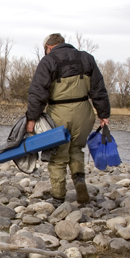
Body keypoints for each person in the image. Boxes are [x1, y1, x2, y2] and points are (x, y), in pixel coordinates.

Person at [26, 33, 110, 204]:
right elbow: (98, 89)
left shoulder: (48, 61)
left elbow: (38, 93)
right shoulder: (86, 58)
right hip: (84, 112)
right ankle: (79, 181)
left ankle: (58, 197)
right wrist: (103, 114)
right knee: (76, 149)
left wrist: (31, 118)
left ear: (49, 47)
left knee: (58, 155)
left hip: (59, 113)